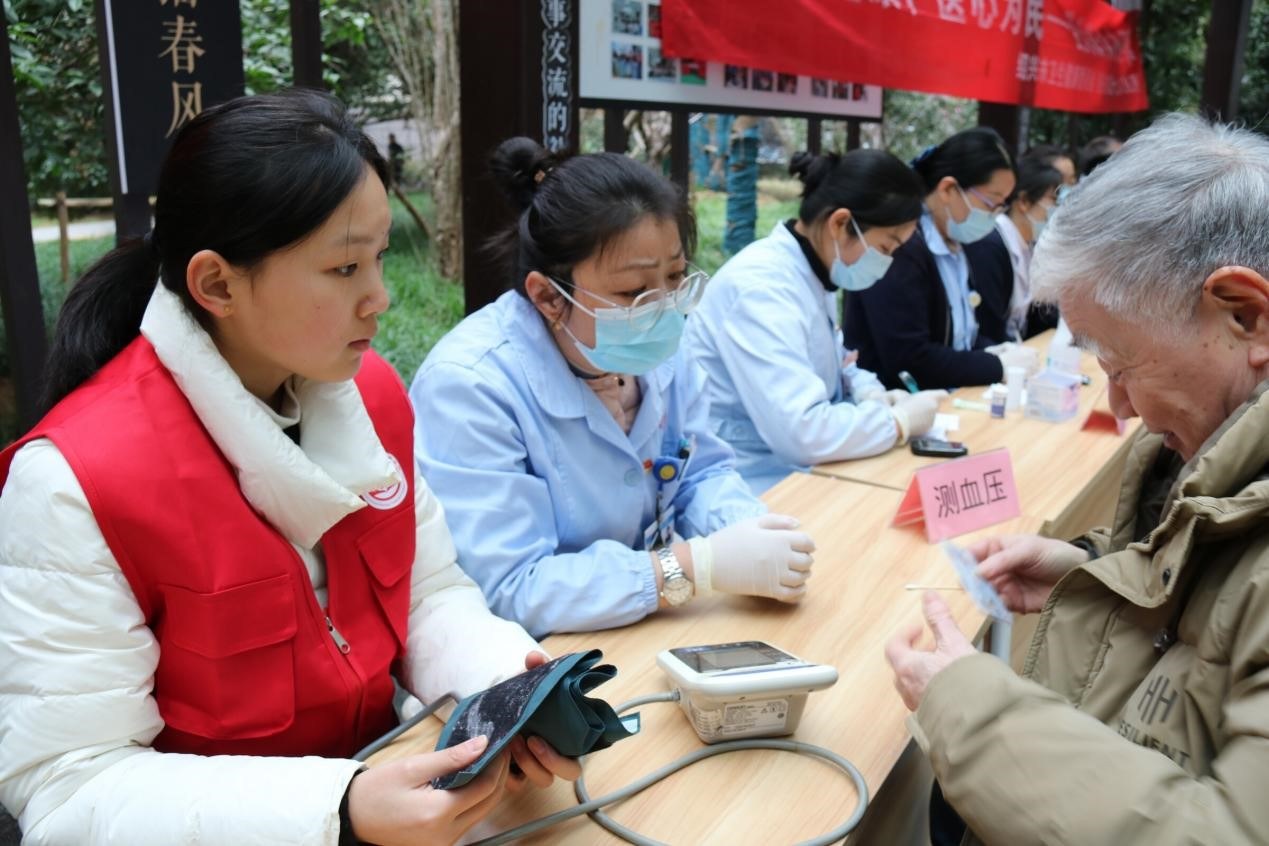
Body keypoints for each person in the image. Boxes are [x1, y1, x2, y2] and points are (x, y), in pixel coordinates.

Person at [0, 91, 577, 846]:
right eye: (344, 268)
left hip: (393, 793)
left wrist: (501, 683)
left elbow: (427, 590)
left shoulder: (372, 396)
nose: (380, 297)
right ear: (216, 285)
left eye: (379, 257)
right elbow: (70, 784)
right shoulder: (73, 481)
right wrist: (338, 807)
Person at [885, 113, 1269, 844]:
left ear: (1244, 316)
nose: (1118, 406)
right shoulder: (1215, 461)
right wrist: (1098, 570)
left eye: (1121, 365)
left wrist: (971, 710)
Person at [409, 138, 815, 639]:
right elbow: (512, 587)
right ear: (548, 297)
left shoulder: (660, 347)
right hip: (540, 657)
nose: (663, 308)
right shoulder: (471, 386)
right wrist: (694, 567)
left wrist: (748, 526)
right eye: (633, 292)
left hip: (640, 629)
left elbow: (699, 473)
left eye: (674, 276)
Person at [683, 149, 947, 494]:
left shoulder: (813, 272)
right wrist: (896, 422)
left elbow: (835, 361)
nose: (888, 261)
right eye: (886, 247)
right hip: (747, 480)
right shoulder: (762, 289)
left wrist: (868, 390)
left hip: (792, 469)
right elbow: (802, 432)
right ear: (840, 224)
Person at [843, 127, 1018, 390]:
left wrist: (995, 351)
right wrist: (995, 365)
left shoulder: (957, 243)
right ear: (948, 189)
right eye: (991, 203)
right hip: (892, 399)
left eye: (1002, 206)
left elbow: (960, 338)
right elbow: (910, 358)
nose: (994, 215)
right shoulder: (900, 246)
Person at [995, 154, 1063, 340]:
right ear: (1024, 201)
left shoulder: (1030, 244)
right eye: (1052, 200)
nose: (1056, 210)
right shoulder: (994, 243)